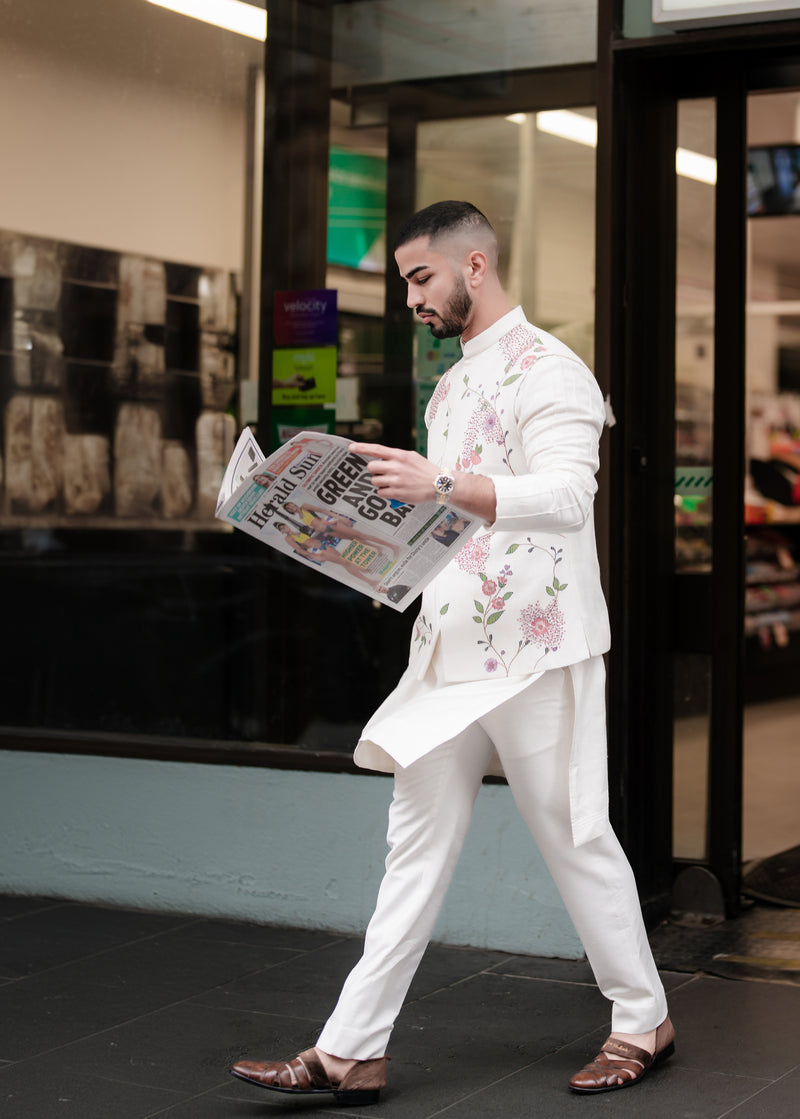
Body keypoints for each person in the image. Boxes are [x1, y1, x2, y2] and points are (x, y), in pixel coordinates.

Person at [231, 200, 674, 1104]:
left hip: (538, 645)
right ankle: (352, 1048)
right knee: (414, 847)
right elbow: (449, 523)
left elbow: (565, 496)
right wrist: (352, 538)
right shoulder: (449, 387)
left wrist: (437, 480)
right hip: (451, 646)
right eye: (405, 283)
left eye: (419, 278)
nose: (410, 300)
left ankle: (643, 1019)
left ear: (475, 265)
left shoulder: (555, 369)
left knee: (575, 834)